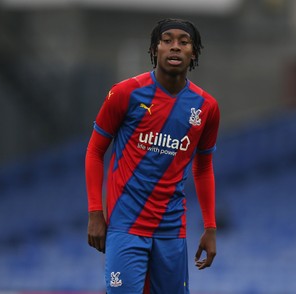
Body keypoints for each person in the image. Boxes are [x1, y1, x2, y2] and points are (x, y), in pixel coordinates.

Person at [85, 18, 220, 293]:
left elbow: (203, 168)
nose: (175, 47)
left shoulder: (206, 108)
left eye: (183, 42)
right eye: (167, 40)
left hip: (171, 231)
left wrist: (210, 227)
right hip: (126, 227)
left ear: (193, 52)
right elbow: (95, 150)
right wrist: (95, 212)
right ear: (154, 49)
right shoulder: (125, 93)